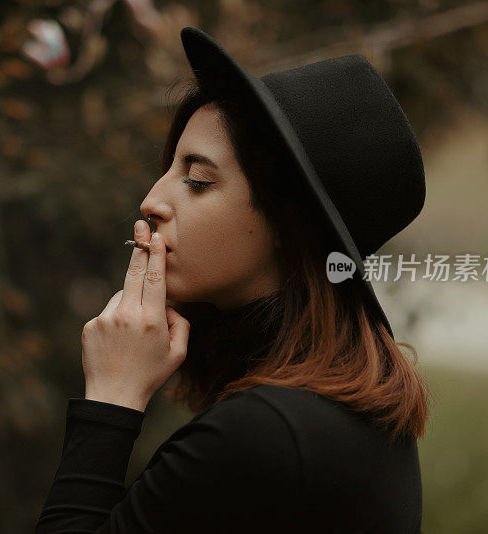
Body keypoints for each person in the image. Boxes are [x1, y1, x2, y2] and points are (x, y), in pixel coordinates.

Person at [35, 26, 430, 533]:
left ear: (290, 225)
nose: (152, 201)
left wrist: (111, 398)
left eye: (197, 180)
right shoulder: (331, 412)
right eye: (171, 168)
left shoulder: (268, 433)